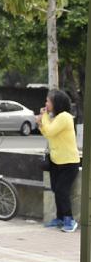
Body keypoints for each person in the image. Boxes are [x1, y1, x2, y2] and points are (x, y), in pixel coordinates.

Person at [37, 89, 81, 233]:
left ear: (56, 102)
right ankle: (60, 218)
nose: (46, 103)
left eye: (48, 101)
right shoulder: (56, 118)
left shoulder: (65, 117)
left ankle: (70, 219)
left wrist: (43, 117)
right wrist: (41, 123)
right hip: (56, 161)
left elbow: (49, 131)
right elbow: (48, 134)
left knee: (62, 190)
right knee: (57, 189)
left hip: (69, 162)